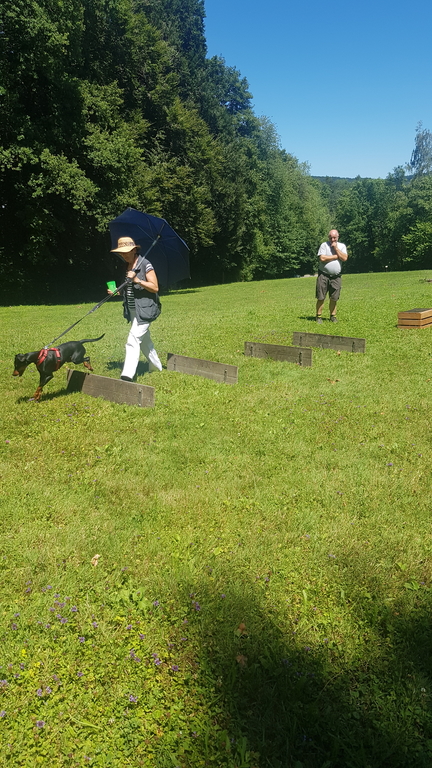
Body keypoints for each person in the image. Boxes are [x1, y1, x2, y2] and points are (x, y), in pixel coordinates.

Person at [108, 236, 162, 381]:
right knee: (145, 342)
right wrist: (117, 292)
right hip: (132, 310)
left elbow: (155, 287)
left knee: (133, 339)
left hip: (146, 310)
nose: (124, 255)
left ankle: (127, 374)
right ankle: (157, 367)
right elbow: (128, 288)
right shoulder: (126, 266)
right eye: (121, 253)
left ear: (134, 250)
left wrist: (138, 280)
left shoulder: (145, 264)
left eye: (126, 252)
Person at [315, 229, 348, 323]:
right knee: (321, 297)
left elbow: (345, 258)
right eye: (330, 237)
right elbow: (322, 258)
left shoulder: (342, 246)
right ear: (328, 237)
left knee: (334, 298)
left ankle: (333, 316)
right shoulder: (324, 245)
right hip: (323, 275)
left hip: (336, 276)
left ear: (338, 237)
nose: (332, 239)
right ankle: (319, 316)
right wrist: (336, 257)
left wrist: (336, 249)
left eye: (334, 237)